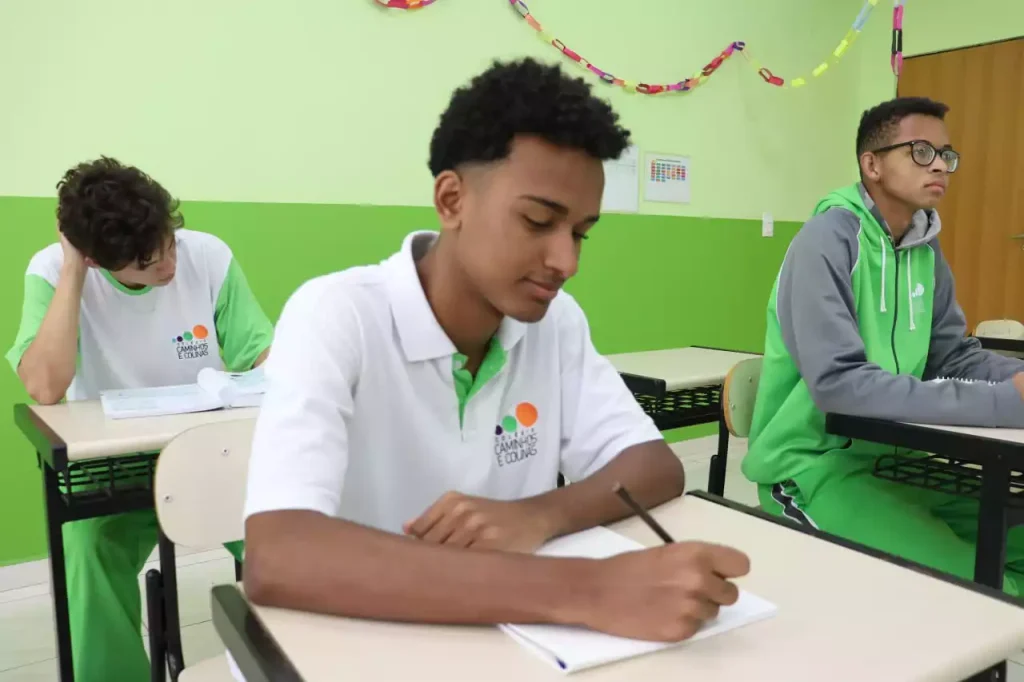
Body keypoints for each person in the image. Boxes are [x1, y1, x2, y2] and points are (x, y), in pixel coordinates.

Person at [242, 57, 750, 652]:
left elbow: (651, 466)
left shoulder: (554, 323)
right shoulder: (337, 314)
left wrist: (537, 515)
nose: (567, 261)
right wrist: (587, 590)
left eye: (581, 232)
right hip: (359, 640)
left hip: (508, 644)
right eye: (538, 221)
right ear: (453, 200)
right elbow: (279, 555)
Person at [742, 96, 1024, 592]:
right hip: (813, 467)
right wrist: (1007, 402)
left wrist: (1015, 381)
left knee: (1006, 550)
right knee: (984, 590)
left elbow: (951, 356)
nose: (939, 164)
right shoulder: (826, 239)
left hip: (899, 461)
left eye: (946, 154)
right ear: (871, 164)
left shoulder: (923, 247)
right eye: (920, 150)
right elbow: (840, 385)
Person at [7, 157, 274, 681]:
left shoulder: (208, 256)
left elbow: (261, 356)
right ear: (98, 260)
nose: (169, 266)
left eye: (170, 243)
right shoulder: (51, 274)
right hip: (112, 471)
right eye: (149, 264)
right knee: (86, 548)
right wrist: (70, 273)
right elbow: (43, 386)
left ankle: (298, 659)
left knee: (285, 526)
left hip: (209, 457)